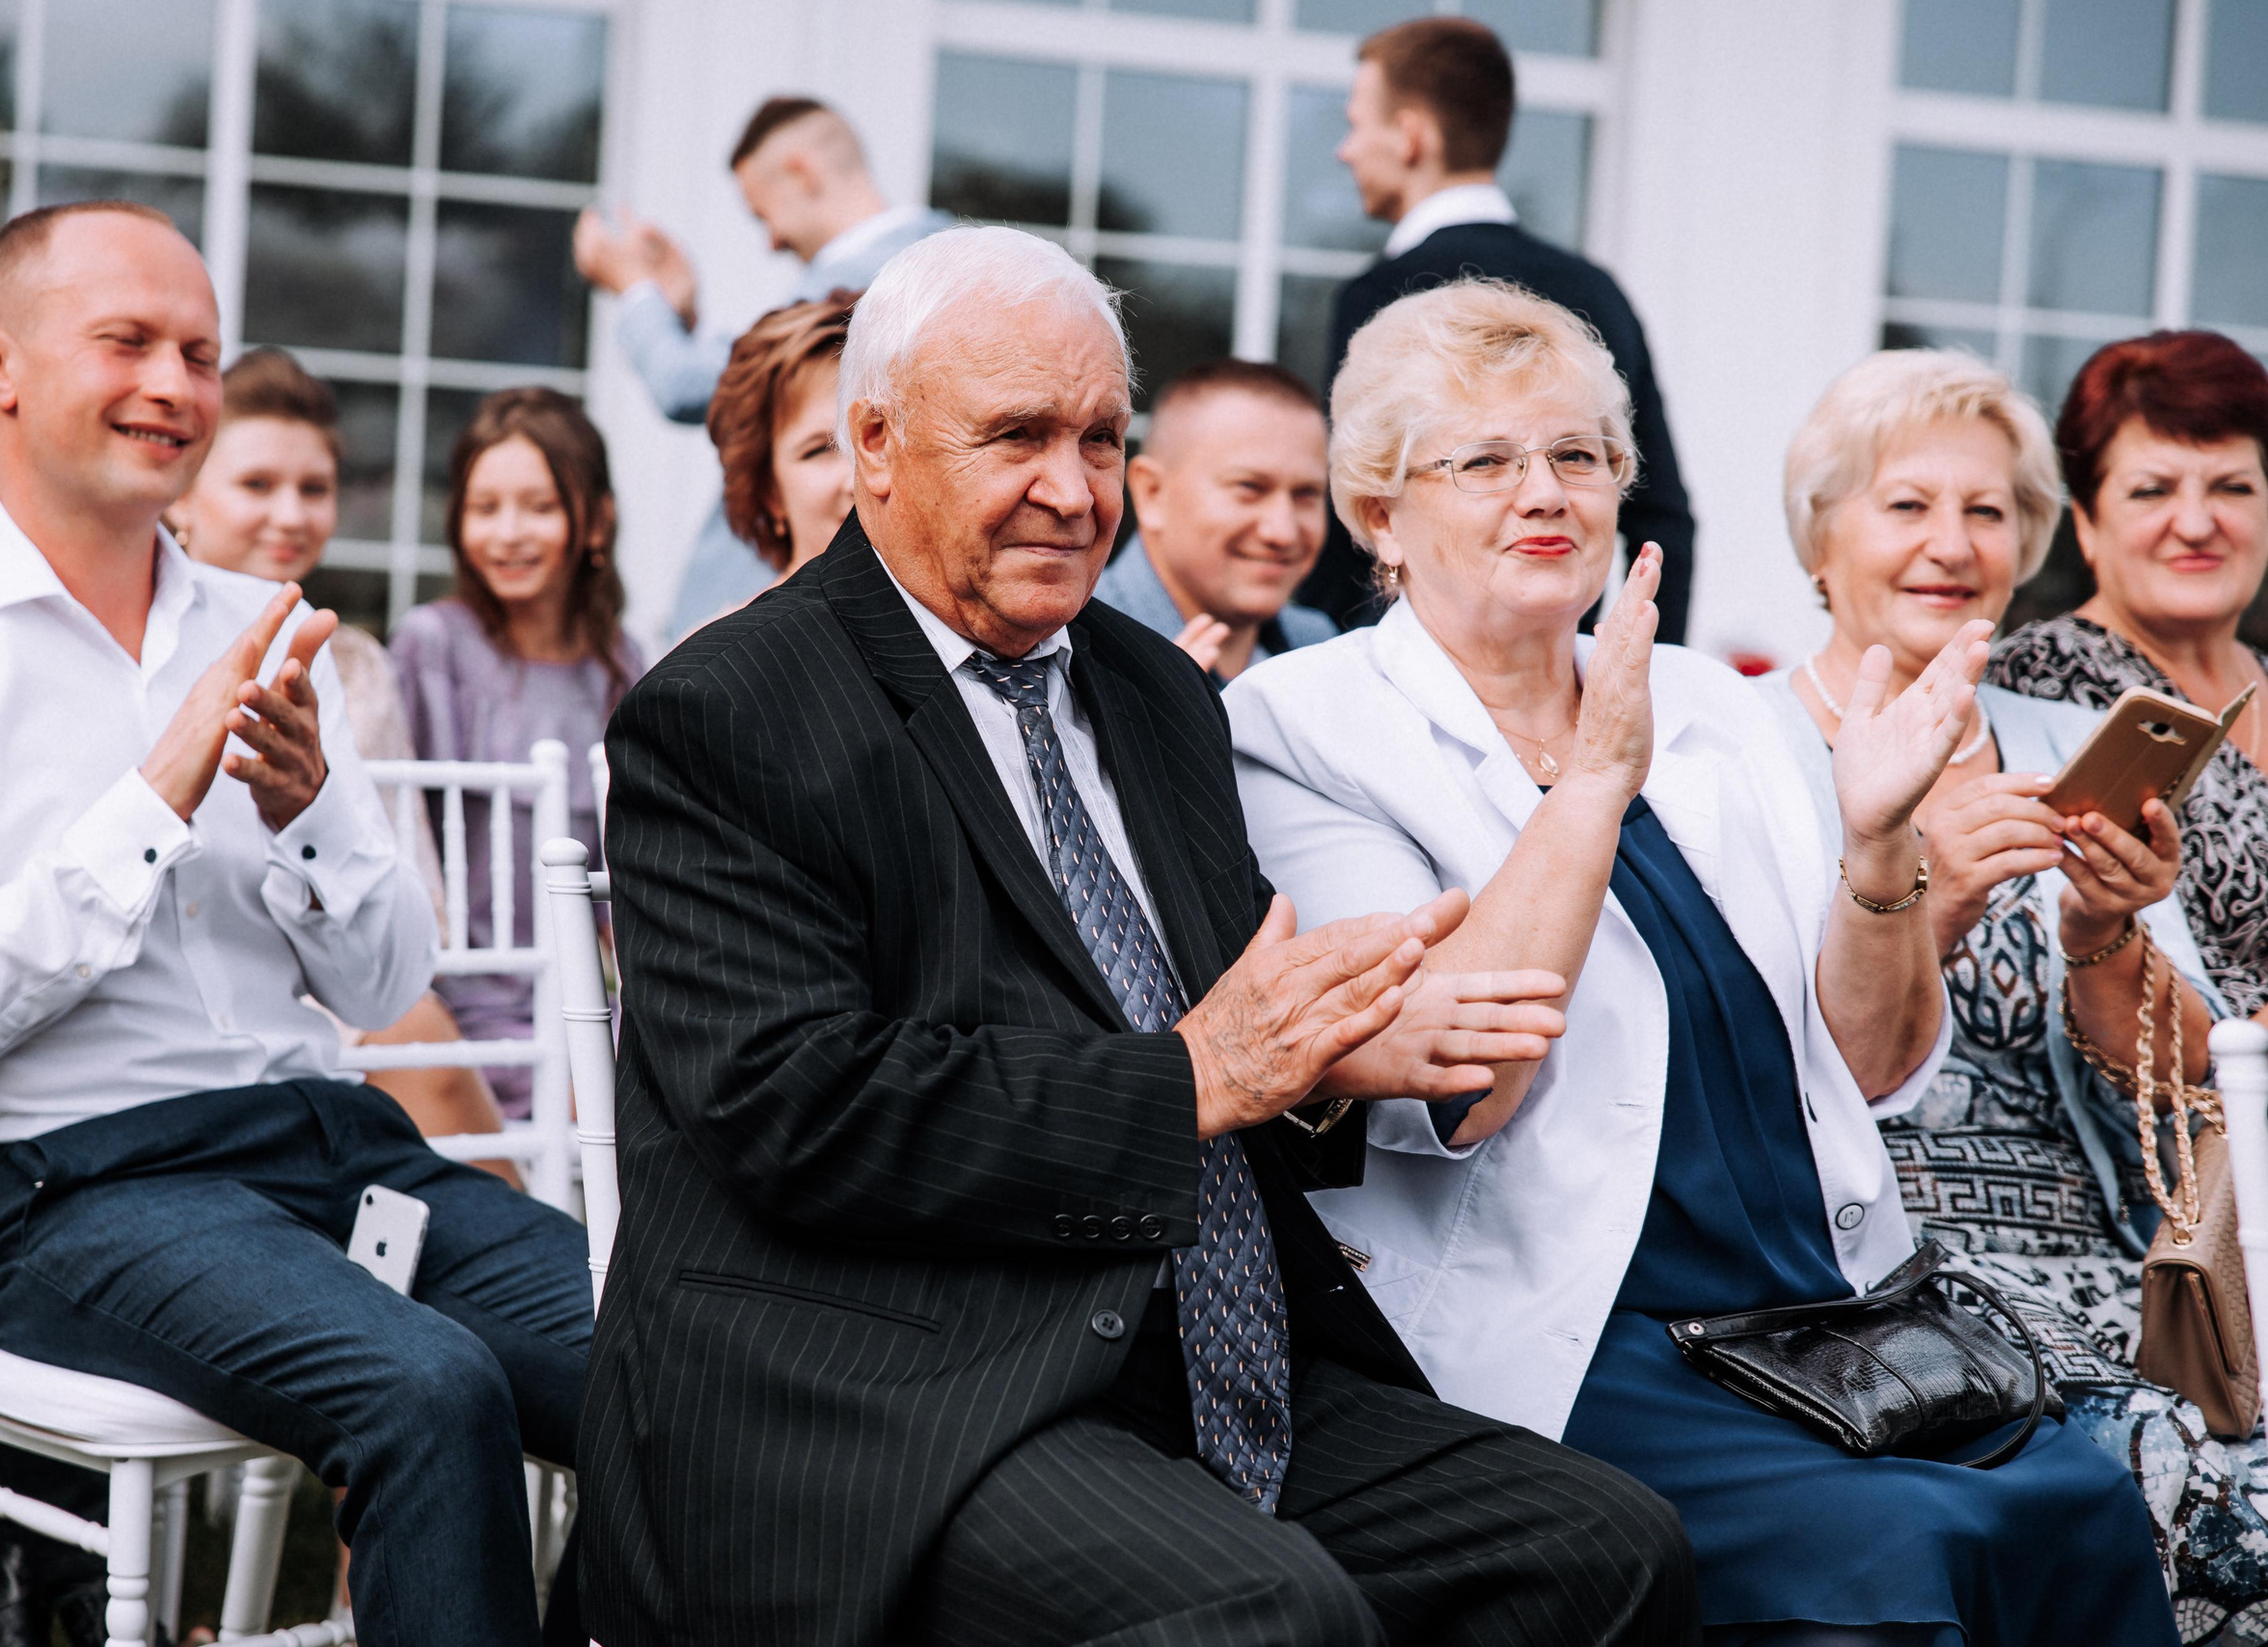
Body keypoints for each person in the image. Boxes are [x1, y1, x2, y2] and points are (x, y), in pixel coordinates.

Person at [575, 226, 1696, 1647]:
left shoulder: (1158, 693)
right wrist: (1201, 1074)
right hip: (888, 1383)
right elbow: (792, 1110)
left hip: (1190, 1343)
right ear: (875, 445)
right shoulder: (729, 706)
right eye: (1017, 436)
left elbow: (1241, 1036)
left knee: (1607, 1552)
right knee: (1272, 1616)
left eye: (1101, 438)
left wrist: (1333, 1057)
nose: (1071, 488)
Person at [1224, 279, 2174, 1646]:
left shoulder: (1708, 703)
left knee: (2078, 1505)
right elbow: (1462, 1085)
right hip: (1579, 1325)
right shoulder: (1304, 726)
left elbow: (1872, 1065)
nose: (1543, 492)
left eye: (1578, 456)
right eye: (1483, 461)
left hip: (1815, 1316)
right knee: (1899, 1546)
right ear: (1379, 513)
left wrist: (1879, 841)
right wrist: (1591, 783)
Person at [0, 201, 592, 1647]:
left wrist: (308, 812)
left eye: (202, 354)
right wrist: (154, 795)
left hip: (330, 1146)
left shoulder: (270, 627)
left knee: (684, 1358)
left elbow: (383, 980)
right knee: (429, 1390)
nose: (175, 384)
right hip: (66, 1191)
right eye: (130, 342)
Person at [1756, 346, 2268, 1640]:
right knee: (2215, 1504)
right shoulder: (1744, 749)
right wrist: (1923, 901)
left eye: (1987, 510)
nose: (1951, 543)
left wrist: (2103, 930)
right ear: (1822, 535)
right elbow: (1752, 1065)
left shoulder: (2056, 741)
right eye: (1907, 504)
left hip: (2132, 1260)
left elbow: (2187, 1074)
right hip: (1878, 1271)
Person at [163, 345, 515, 1185]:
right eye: (257, 485)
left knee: (419, 1034)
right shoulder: (150, 653)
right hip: (198, 999)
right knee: (421, 1046)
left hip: (350, 974)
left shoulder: (354, 662)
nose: (290, 514)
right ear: (183, 499)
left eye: (314, 488)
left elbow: (414, 890)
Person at [1311, 16, 1692, 639]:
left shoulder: (1381, 296)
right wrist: (1641, 664)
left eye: (1356, 125)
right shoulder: (1599, 290)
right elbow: (1664, 516)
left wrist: (1345, 656)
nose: (1345, 149)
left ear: (1411, 135)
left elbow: (1350, 512)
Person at [573, 96, 949, 636]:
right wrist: (683, 320)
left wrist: (635, 290)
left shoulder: (875, 277)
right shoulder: (944, 257)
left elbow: (684, 385)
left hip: (778, 621)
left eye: (761, 214)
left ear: (801, 172)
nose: (771, 241)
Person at [1985, 332, 2268, 1027]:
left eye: (2232, 487)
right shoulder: (2035, 686)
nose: (2196, 523)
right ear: (2086, 523)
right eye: (2152, 490)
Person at [392, 387, 642, 1119]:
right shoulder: (432, 645)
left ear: (597, 519)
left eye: (538, 506)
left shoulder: (623, 665)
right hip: (457, 999)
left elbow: (630, 868)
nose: (507, 533)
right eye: (485, 507)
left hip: (583, 1000)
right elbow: (399, 838)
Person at [1094, 357, 1339, 683]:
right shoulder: (1069, 648)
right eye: (1249, 488)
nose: (1282, 532)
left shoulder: (1318, 649)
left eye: (1306, 494)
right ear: (1152, 492)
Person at [706, 291, 857, 584]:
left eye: (878, 434)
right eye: (818, 450)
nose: (858, 479)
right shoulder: (749, 618)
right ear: (769, 492)